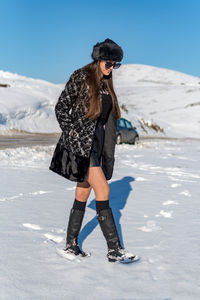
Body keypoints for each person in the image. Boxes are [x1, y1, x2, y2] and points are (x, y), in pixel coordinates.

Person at [49, 38, 136, 262]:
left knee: (82, 193)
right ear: (98, 59)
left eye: (116, 65)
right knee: (104, 191)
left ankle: (70, 244)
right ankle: (114, 249)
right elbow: (61, 107)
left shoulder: (106, 84)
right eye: (109, 63)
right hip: (83, 145)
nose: (112, 68)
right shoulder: (81, 76)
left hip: (98, 145)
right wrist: (72, 132)